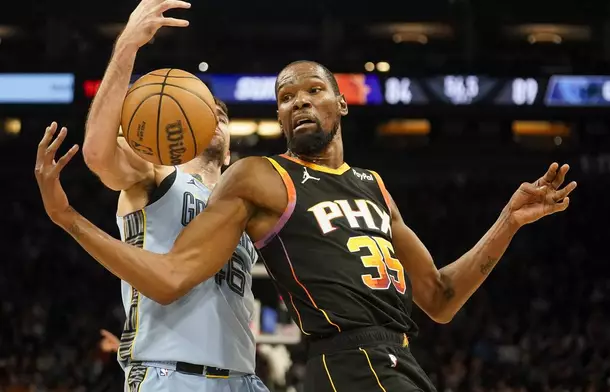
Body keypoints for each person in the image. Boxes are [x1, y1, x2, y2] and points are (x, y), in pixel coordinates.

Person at [35, 60, 577, 391]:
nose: (299, 102)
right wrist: (68, 217)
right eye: (286, 98)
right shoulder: (261, 176)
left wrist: (508, 221)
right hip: (345, 360)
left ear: (342, 102)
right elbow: (171, 270)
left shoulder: (374, 185)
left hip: (394, 357)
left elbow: (439, 296)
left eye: (312, 91)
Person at [50, 1, 269, 391]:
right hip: (171, 373)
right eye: (208, 110)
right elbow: (98, 155)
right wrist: (127, 47)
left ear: (232, 148)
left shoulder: (242, 206)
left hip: (243, 378)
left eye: (222, 115)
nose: (216, 116)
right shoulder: (154, 171)